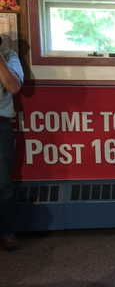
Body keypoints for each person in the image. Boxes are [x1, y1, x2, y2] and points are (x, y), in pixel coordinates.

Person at [0, 36, 24, 251]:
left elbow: (14, 87)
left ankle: (8, 233)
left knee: (3, 184)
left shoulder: (8, 55)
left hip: (0, 125)